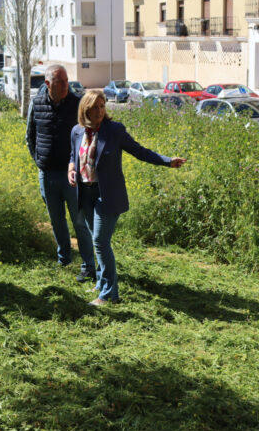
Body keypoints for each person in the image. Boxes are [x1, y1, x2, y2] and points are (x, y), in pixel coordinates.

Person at [68, 90, 186, 306]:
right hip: (85, 194)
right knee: (98, 242)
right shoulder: (77, 131)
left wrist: (167, 161)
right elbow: (72, 154)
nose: (100, 111)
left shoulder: (114, 130)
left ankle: (108, 295)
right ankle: (103, 282)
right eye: (95, 107)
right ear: (85, 109)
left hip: (107, 195)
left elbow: (139, 151)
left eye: (102, 106)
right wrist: (71, 168)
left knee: (100, 242)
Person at [26, 65, 96, 282]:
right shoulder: (36, 104)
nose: (66, 85)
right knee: (57, 220)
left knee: (79, 221)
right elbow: (30, 136)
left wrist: (79, 166)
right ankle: (64, 259)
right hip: (47, 174)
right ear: (48, 84)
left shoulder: (76, 104)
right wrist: (39, 161)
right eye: (60, 81)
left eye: (66, 80)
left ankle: (88, 265)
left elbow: (88, 135)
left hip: (72, 176)